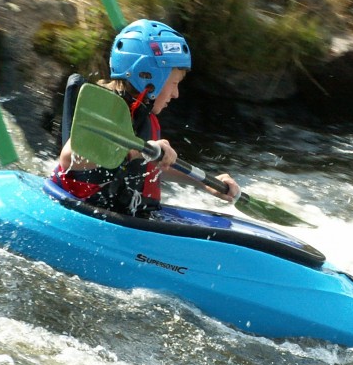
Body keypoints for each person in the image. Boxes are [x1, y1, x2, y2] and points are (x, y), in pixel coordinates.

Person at [53, 19, 240, 217]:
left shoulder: (144, 118)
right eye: (174, 83)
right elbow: (70, 157)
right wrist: (138, 151)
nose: (176, 94)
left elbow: (150, 167)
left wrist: (203, 183)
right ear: (150, 78)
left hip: (125, 217)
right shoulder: (106, 109)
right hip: (79, 213)